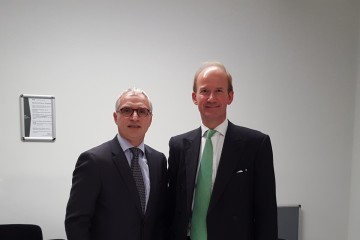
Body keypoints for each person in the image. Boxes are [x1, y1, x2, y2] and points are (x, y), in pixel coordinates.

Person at [167, 62, 278, 240]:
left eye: (219, 90)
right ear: (194, 97)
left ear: (230, 96)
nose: (211, 98)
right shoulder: (178, 145)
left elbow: (267, 213)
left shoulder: (256, 144)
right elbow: (172, 207)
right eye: (204, 91)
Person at [65, 88, 167, 240]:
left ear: (150, 119)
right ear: (115, 117)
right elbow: (77, 222)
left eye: (142, 111)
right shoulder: (93, 161)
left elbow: (160, 215)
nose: (134, 117)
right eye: (126, 110)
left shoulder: (158, 160)